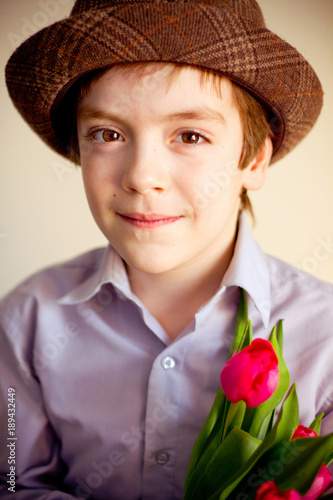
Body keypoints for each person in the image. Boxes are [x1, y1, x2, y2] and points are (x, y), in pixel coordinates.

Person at [1, 0, 332, 498]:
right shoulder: (27, 322)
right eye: (108, 134)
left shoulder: (325, 340)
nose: (141, 176)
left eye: (190, 135)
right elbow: (12, 480)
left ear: (254, 160)